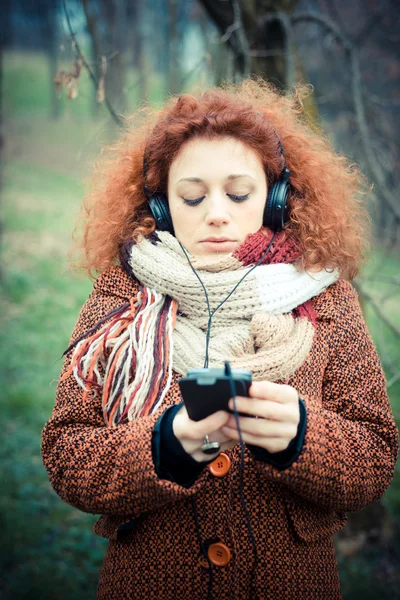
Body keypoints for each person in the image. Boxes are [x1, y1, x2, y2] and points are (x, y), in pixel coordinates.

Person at [42, 78, 398, 600]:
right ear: (160, 206)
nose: (215, 212)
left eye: (237, 193)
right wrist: (165, 446)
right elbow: (68, 454)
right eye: (190, 196)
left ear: (276, 199)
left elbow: (376, 457)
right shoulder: (122, 293)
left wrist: (303, 436)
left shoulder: (326, 294)